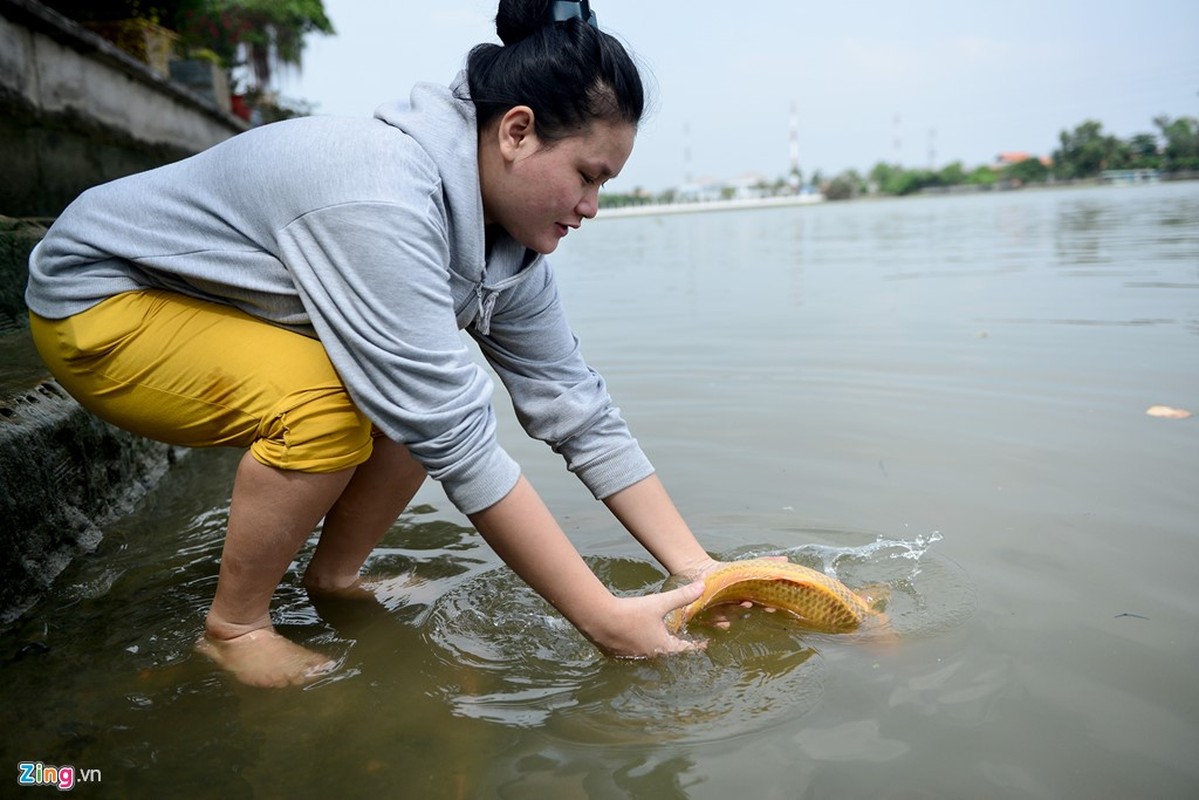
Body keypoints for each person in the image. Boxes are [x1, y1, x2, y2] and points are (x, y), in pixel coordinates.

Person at [25, 0, 721, 688]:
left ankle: (336, 578)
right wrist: (600, 617)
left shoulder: (510, 250)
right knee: (327, 408)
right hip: (102, 299)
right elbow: (457, 436)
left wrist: (700, 572)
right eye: (587, 175)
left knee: (398, 400)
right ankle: (234, 629)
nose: (592, 206)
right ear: (516, 131)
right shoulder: (380, 195)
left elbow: (577, 407)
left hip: (224, 312)